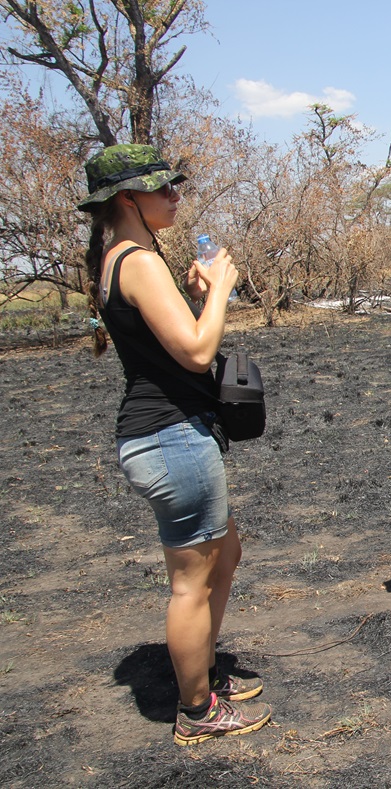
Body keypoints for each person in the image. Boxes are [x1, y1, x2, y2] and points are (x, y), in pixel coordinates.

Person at [78, 144, 271, 744]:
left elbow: (170, 343)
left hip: (169, 434)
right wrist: (220, 289)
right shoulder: (135, 260)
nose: (175, 196)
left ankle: (204, 676)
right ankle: (197, 712)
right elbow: (195, 351)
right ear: (127, 200)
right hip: (170, 438)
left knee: (225, 554)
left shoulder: (129, 258)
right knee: (191, 582)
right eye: (163, 189)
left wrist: (195, 296)